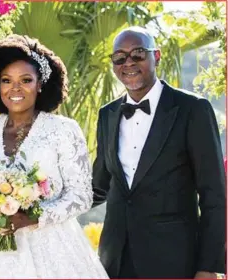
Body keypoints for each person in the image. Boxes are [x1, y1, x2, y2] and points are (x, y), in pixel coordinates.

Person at [0, 34, 109, 278]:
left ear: (40, 84)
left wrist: (33, 217)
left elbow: (81, 196)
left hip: (52, 248)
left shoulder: (63, 130)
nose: (15, 88)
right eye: (6, 80)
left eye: (26, 80)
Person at [92, 26, 226, 278]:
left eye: (138, 54)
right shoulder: (106, 114)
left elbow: (214, 194)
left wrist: (209, 266)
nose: (128, 62)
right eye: (119, 57)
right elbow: (99, 185)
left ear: (157, 56)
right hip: (115, 259)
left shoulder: (192, 109)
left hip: (173, 260)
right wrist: (41, 205)